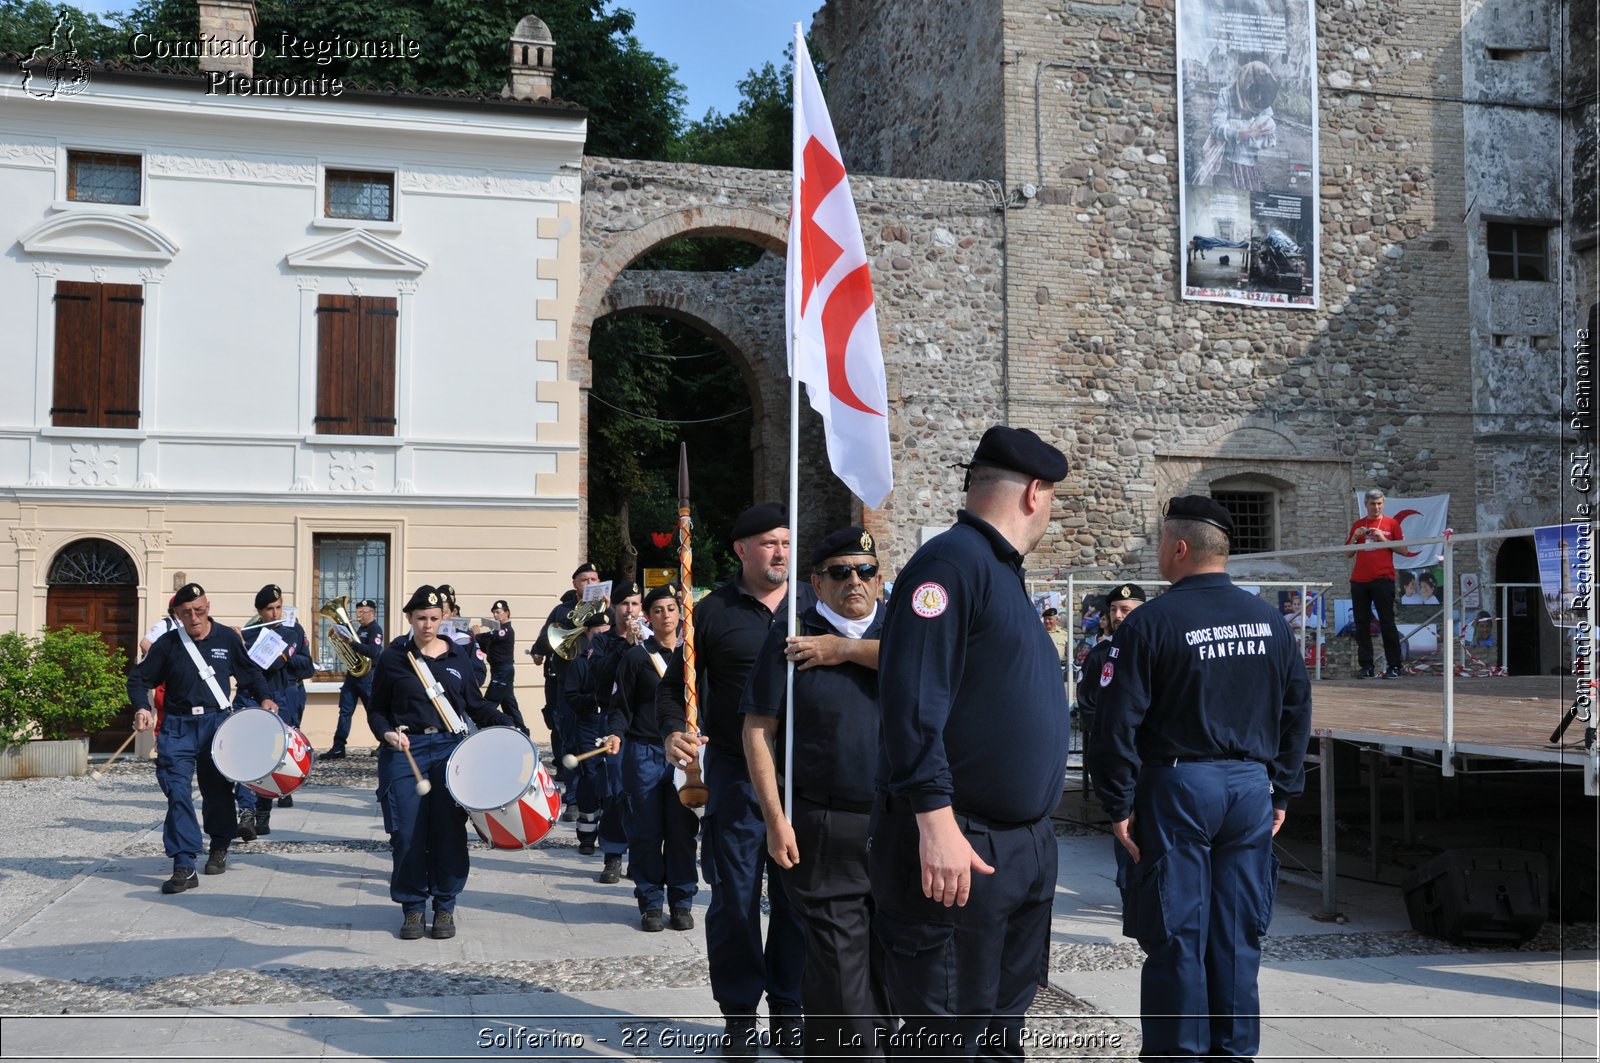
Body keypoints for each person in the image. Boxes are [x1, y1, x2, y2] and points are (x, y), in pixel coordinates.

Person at [1087, 495, 1313, 1061]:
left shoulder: (1150, 624)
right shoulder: (1269, 620)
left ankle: (1178, 1055)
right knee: (1237, 938)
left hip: (1179, 788)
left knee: (1175, 935)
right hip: (1248, 789)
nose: (1159, 550)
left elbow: (1115, 723)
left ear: (1179, 548)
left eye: (1161, 540)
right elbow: (1297, 709)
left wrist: (1117, 803)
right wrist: (1282, 786)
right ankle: (1234, 1053)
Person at [872, 425, 1071, 1057]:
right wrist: (936, 824)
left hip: (1017, 848)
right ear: (1035, 493)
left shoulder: (999, 571)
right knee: (946, 1034)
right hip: (962, 843)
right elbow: (911, 706)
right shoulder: (950, 565)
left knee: (998, 1032)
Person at [659, 503, 818, 1057]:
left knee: (799, 898)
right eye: (769, 543)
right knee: (734, 897)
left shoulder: (814, 604)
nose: (780, 552)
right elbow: (673, 692)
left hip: (804, 775)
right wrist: (672, 732)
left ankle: (791, 1008)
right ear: (741, 550)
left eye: (785, 543)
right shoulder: (711, 612)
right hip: (734, 774)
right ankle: (740, 1014)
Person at [743, 526, 887, 1059]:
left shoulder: (902, 634)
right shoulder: (791, 638)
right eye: (840, 572)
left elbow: (930, 665)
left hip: (897, 826)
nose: (855, 581)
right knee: (840, 970)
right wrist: (775, 818)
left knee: (888, 968)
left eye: (866, 571)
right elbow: (758, 730)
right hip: (823, 825)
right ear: (817, 584)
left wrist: (844, 650)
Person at [367, 585, 518, 941]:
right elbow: (376, 710)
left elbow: (474, 706)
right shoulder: (393, 658)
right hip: (407, 749)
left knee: (448, 832)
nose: (427, 625)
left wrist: (508, 725)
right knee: (406, 833)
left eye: (434, 618)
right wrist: (387, 733)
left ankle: (445, 904)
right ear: (409, 618)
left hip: (451, 748)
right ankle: (413, 907)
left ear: (444, 618)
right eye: (421, 618)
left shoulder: (458, 658)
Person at [128, 582, 278, 894]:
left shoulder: (226, 637)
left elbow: (250, 673)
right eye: (186, 613)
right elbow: (138, 678)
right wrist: (142, 707)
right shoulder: (168, 644)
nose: (194, 617)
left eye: (199, 610)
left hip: (216, 725)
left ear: (208, 607)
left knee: (218, 791)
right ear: (177, 615)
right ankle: (184, 863)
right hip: (177, 726)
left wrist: (265, 698)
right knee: (177, 792)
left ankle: (220, 845)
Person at [610, 583, 698, 930]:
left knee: (682, 829)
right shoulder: (635, 657)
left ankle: (681, 900)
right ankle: (650, 902)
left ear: (680, 613)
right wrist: (616, 733)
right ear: (648, 616)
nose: (665, 616)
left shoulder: (692, 655)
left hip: (683, 752)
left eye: (671, 609)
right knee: (645, 830)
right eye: (658, 610)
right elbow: (620, 705)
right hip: (644, 750)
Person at [234, 584, 315, 840]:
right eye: (270, 609)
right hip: (252, 697)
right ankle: (245, 811)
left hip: (282, 695)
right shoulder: (248, 634)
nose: (275, 613)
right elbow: (249, 666)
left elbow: (307, 667)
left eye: (278, 607)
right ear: (260, 612)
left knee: (272, 756)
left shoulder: (293, 630)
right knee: (247, 755)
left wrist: (287, 657)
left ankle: (262, 812)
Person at [564, 607, 627, 862]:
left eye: (604, 631)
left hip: (613, 721)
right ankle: (587, 836)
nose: (601, 635)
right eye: (596, 632)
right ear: (588, 635)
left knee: (615, 779)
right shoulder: (579, 662)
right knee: (590, 775)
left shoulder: (620, 656)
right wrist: (594, 700)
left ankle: (615, 836)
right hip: (590, 722)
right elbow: (571, 696)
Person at [531, 563, 602, 788]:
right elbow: (542, 642)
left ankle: (598, 795)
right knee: (569, 740)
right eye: (585, 580)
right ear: (575, 584)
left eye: (594, 579)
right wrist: (573, 625)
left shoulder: (609, 610)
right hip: (568, 684)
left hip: (600, 685)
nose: (590, 584)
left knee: (601, 740)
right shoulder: (562, 611)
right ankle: (572, 797)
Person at [1075, 583, 1146, 751]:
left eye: (1125, 610)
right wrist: (1106, 735)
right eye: (1113, 610)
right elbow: (1087, 701)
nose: (1118, 616)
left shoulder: (1154, 650)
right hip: (1112, 747)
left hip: (1148, 749)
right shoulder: (1099, 654)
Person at [1346, 487, 1405, 679]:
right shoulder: (1358, 524)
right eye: (1372, 504)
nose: (1376, 507)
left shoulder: (1391, 523)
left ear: (1383, 504)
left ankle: (1394, 666)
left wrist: (1382, 538)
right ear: (1366, 505)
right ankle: (1366, 667)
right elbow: (1347, 553)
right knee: (1361, 624)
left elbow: (1404, 550)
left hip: (1383, 578)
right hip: (1359, 580)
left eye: (1379, 504)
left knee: (1387, 623)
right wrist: (1356, 537)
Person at [326, 598, 384, 759]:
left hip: (368, 676)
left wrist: (352, 643)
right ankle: (338, 747)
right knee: (344, 711)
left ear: (372, 613)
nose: (359, 616)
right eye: (358, 612)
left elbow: (373, 651)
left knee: (372, 711)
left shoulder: (375, 630)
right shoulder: (358, 630)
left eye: (363, 613)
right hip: (353, 675)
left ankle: (384, 742)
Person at [477, 598, 527, 732]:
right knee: (509, 703)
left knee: (489, 702)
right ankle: (521, 730)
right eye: (494, 612)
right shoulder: (497, 632)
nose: (495, 615)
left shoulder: (506, 630)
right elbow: (487, 646)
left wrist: (476, 634)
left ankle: (480, 727)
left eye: (498, 612)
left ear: (507, 613)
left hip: (503, 671)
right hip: (499, 670)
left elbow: (491, 636)